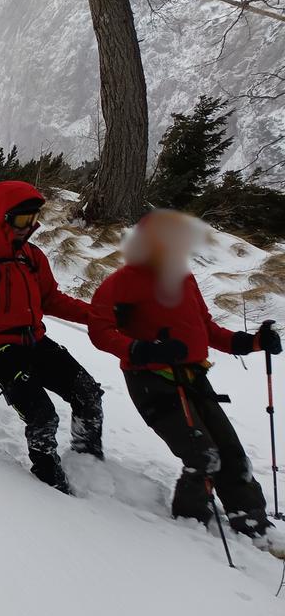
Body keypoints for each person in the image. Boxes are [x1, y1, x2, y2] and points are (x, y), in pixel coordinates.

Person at [88, 210, 284, 554]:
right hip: (152, 382)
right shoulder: (123, 282)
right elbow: (100, 331)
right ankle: (190, 522)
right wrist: (142, 349)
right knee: (203, 456)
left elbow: (207, 329)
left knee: (231, 452)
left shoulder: (184, 278)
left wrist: (253, 342)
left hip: (194, 377)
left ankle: (252, 521)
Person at [0, 180, 103, 494]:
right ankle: (50, 484)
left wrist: (98, 316)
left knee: (87, 392)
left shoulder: (31, 256)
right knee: (42, 416)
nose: (30, 227)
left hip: (35, 341)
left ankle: (89, 461)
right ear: (3, 217)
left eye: (33, 219)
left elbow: (52, 299)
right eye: (23, 219)